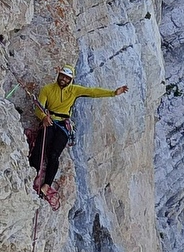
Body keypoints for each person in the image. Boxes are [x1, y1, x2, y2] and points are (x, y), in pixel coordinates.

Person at [31, 65, 128, 209]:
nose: (64, 79)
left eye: (67, 78)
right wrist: (43, 117)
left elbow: (92, 92)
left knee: (53, 154)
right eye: (62, 76)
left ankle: (46, 185)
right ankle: (32, 171)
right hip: (50, 120)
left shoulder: (74, 90)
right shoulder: (47, 89)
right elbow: (38, 108)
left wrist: (113, 93)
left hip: (63, 125)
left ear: (71, 80)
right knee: (40, 148)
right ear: (58, 75)